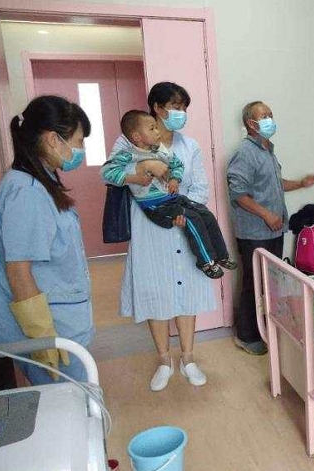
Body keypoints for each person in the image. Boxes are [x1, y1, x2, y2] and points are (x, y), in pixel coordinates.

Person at [102, 82, 214, 391]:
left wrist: (184, 210)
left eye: (184, 108)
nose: (181, 113)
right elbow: (111, 174)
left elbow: (201, 187)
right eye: (176, 107)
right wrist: (143, 167)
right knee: (155, 293)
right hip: (148, 229)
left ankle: (188, 358)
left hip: (183, 225)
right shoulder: (128, 142)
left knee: (186, 293)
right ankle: (164, 360)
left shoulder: (189, 146)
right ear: (157, 107)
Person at [0, 95, 93, 385]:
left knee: (73, 400)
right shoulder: (28, 192)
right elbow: (18, 271)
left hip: (62, 319)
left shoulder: (37, 182)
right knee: (71, 402)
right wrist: (43, 338)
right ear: (52, 140)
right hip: (51, 329)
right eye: (78, 141)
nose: (80, 150)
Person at [227, 101, 314, 355]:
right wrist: (267, 215)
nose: (270, 119)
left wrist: (301, 183)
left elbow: (275, 184)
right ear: (251, 123)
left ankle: (266, 328)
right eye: (264, 116)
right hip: (254, 233)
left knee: (270, 283)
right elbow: (238, 193)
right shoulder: (245, 152)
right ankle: (246, 336)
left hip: (274, 230)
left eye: (271, 114)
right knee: (254, 282)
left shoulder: (267, 150)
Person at [102, 110, 236, 279]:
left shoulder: (160, 150)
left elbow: (177, 165)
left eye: (156, 127)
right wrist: (135, 178)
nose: (157, 132)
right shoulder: (127, 155)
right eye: (152, 129)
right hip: (155, 205)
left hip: (172, 198)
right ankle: (206, 262)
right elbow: (107, 173)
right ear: (136, 137)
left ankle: (222, 255)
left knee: (205, 214)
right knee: (192, 219)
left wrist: (174, 179)